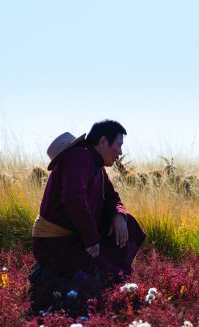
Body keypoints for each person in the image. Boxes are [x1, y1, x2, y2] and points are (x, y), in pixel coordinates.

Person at [29, 120, 146, 315]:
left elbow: (112, 197)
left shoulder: (96, 165)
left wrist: (119, 215)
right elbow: (73, 199)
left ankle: (59, 274)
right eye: (118, 145)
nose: (120, 152)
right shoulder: (78, 156)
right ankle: (45, 275)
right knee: (94, 277)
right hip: (56, 243)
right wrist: (91, 240)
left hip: (76, 238)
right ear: (102, 141)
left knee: (129, 224)